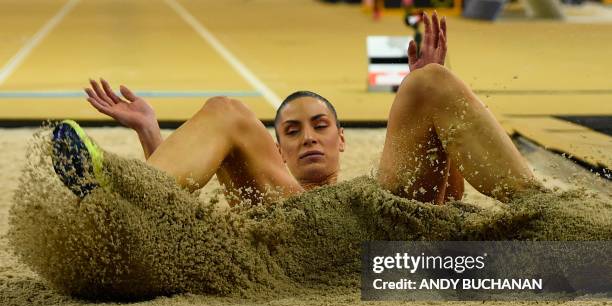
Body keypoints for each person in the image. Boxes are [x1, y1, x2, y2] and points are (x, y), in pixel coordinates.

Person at [53, 11, 537, 206]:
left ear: (341, 139)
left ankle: (545, 213)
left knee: (430, 81)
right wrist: (149, 131)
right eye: (292, 131)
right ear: (276, 151)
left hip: (375, 228)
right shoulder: (265, 198)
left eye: (321, 125)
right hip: (294, 239)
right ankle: (114, 193)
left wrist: (427, 110)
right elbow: (181, 216)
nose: (308, 136)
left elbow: (448, 206)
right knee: (226, 108)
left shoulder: (378, 196)